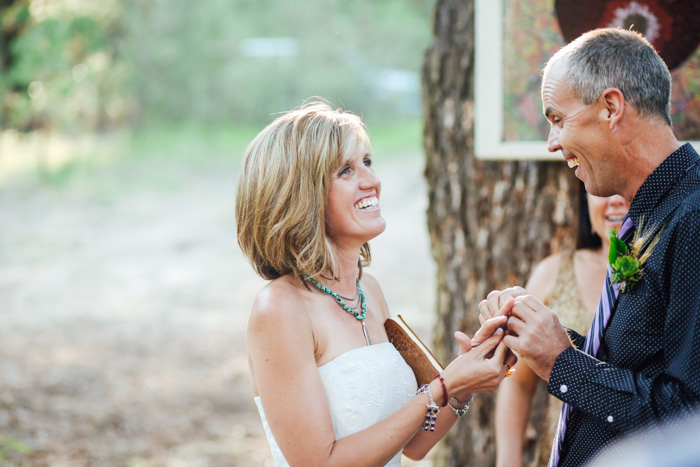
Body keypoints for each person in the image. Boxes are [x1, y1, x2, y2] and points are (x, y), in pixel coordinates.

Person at [236, 101, 511, 466]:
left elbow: (412, 445)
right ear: (300, 195)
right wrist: (442, 387)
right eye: (345, 170)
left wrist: (466, 376)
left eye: (367, 162)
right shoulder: (281, 308)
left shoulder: (370, 292)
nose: (372, 181)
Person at [480, 28, 700, 467]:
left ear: (611, 108)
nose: (552, 142)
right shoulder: (648, 214)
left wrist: (561, 362)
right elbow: (640, 366)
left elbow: (687, 416)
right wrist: (540, 336)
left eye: (558, 118)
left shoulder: (693, 218)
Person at [494, 186, 630, 467]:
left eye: (623, 189)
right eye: (604, 190)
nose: (614, 201)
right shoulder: (552, 273)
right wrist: (509, 459)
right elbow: (518, 383)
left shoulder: (662, 275)